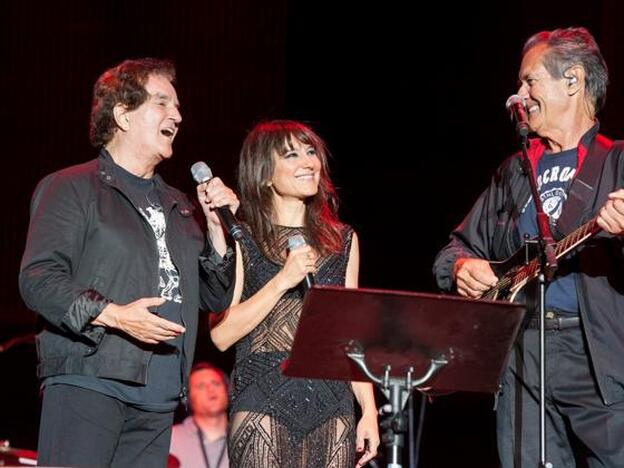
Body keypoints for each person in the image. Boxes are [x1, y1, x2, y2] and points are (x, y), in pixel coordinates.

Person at [19, 58, 238, 467]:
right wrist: (113, 315)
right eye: (162, 103)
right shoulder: (71, 186)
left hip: (158, 391)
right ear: (122, 114)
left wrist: (214, 229)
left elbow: (213, 295)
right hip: (90, 378)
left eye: (178, 107)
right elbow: (39, 279)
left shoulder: (179, 204)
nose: (177, 114)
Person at [433, 27, 624, 467]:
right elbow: (452, 250)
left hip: (597, 358)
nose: (518, 95)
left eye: (529, 81)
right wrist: (461, 267)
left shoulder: (616, 164)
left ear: (572, 81)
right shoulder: (515, 171)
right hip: (520, 353)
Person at [204, 120, 380, 467]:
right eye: (291, 154)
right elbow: (222, 335)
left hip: (333, 406)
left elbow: (351, 336)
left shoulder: (342, 241)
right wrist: (283, 279)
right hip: (263, 401)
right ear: (265, 174)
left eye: (311, 152)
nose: (308, 161)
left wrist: (369, 410)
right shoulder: (242, 237)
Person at [169, 362, 230, 468]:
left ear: (228, 391)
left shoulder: (247, 438)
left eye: (215, 383)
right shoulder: (170, 439)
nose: (211, 389)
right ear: (188, 399)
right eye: (201, 386)